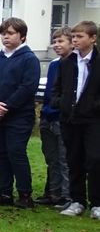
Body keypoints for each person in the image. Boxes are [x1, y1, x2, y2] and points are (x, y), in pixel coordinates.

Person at [0, 17, 40, 208]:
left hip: (19, 116)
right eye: (3, 33)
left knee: (16, 152)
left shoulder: (29, 59)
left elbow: (27, 87)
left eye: (10, 33)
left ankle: (25, 194)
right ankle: (5, 193)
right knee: (2, 153)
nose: (6, 37)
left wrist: (5, 108)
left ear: (22, 36)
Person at [50, 20, 99, 218]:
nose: (75, 40)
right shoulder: (67, 62)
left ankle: (96, 202)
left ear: (93, 39)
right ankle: (77, 200)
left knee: (95, 159)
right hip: (69, 119)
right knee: (73, 159)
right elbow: (57, 89)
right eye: (74, 36)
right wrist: (61, 103)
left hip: (94, 120)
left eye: (80, 37)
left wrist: (90, 107)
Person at [35, 27, 72, 207]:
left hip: (63, 118)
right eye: (54, 41)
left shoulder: (76, 65)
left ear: (71, 43)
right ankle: (53, 193)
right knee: (51, 159)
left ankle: (67, 196)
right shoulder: (54, 64)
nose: (56, 45)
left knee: (65, 159)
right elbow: (50, 92)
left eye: (61, 41)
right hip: (48, 117)